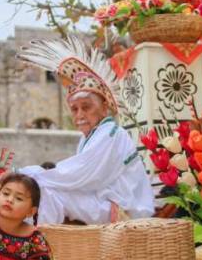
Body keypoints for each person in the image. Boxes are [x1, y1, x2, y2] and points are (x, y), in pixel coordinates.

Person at [15, 35, 155, 225]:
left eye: (86, 107)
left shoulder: (110, 133)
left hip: (123, 209)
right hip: (104, 201)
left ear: (104, 107)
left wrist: (24, 173)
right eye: (75, 109)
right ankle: (41, 243)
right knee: (45, 189)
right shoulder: (94, 135)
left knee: (46, 190)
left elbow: (78, 174)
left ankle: (43, 247)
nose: (79, 114)